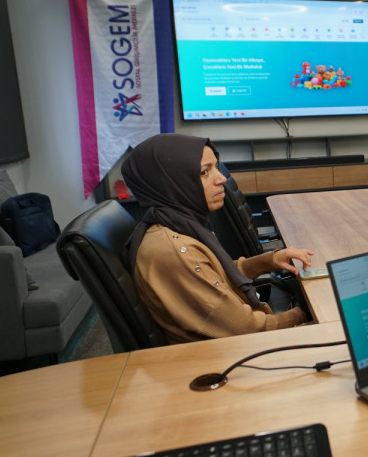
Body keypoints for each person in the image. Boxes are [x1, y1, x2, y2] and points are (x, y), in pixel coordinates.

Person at [121, 133, 311, 344]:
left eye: (216, 167)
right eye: (204, 172)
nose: (221, 178)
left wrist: (270, 260)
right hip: (223, 354)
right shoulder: (174, 251)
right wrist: (299, 316)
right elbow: (246, 329)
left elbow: (216, 273)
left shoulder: (175, 224)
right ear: (171, 183)